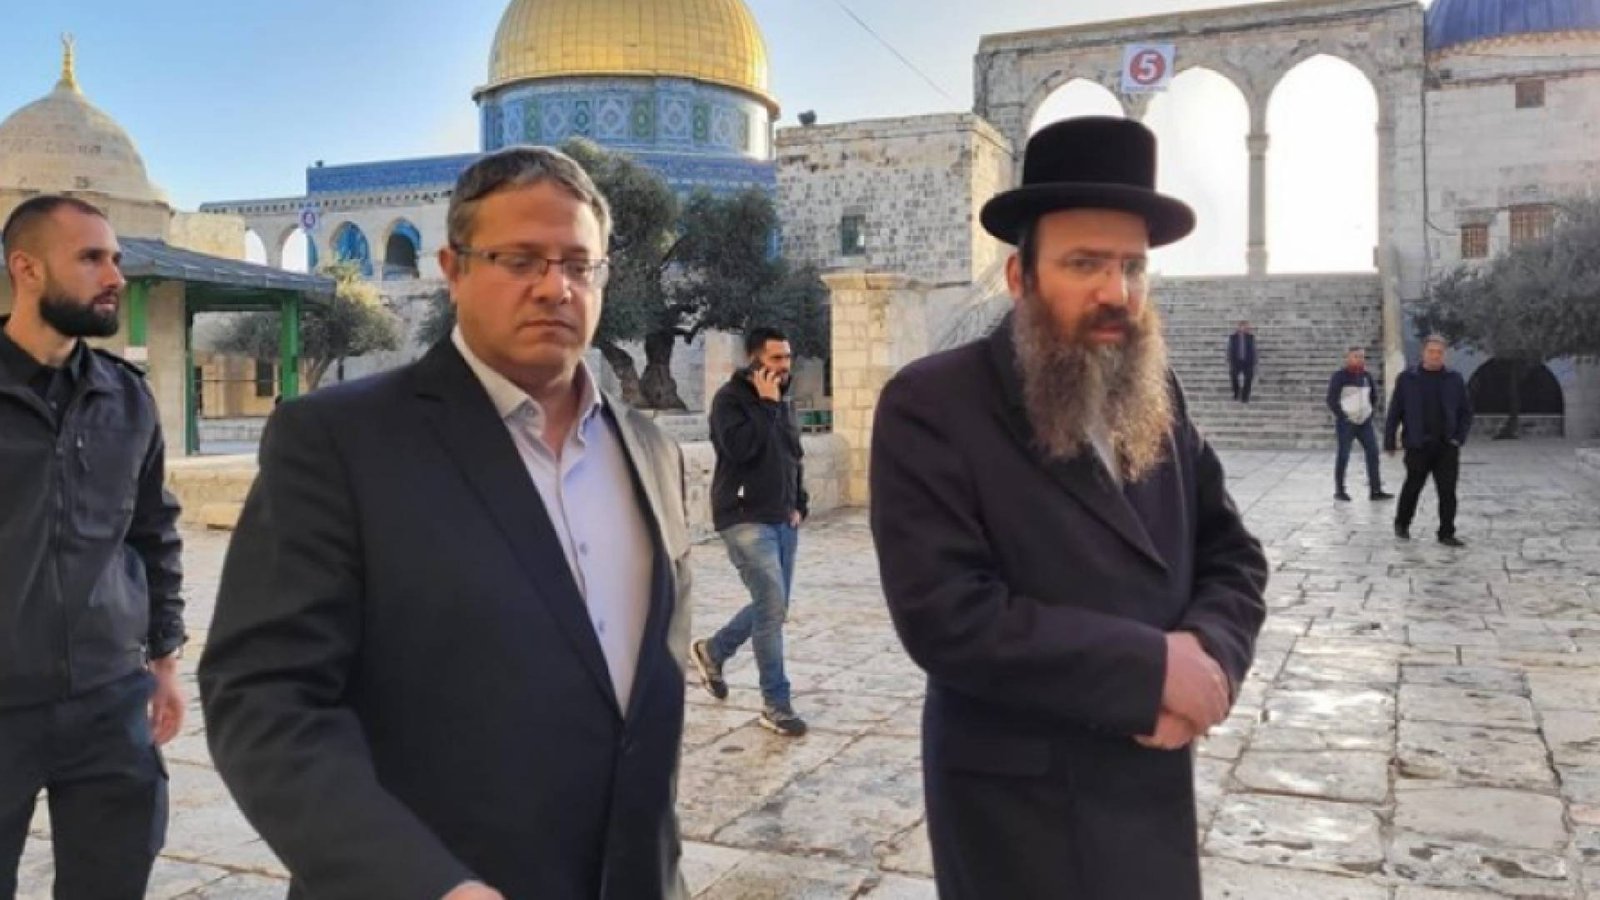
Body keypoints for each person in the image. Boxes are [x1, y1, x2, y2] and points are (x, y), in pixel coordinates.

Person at [199, 146, 694, 900]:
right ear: (452, 269)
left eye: (577, 264)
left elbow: (640, 703)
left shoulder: (652, 452)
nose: (554, 287)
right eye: (518, 260)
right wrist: (428, 886)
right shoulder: (341, 442)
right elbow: (265, 701)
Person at [870, 116, 1269, 899]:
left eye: (1132, 266)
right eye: (1084, 263)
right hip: (1020, 818)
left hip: (1151, 795)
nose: (1116, 293)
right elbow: (948, 616)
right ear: (1018, 276)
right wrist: (1151, 670)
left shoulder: (1154, 392)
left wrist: (1213, 655)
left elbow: (1232, 552)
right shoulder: (933, 405)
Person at [0, 195, 186, 899]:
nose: (116, 276)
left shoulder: (127, 398)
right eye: (91, 258)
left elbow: (153, 531)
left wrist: (164, 661)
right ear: (26, 269)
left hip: (109, 704)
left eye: (115, 258)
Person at [690, 326, 809, 737]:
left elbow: (793, 454)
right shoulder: (730, 401)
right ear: (754, 360)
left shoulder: (782, 399)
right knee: (771, 608)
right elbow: (741, 451)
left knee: (772, 605)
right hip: (744, 517)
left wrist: (799, 503)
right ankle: (776, 704)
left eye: (787, 357)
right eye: (776, 358)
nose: (784, 365)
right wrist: (766, 406)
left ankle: (714, 650)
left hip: (782, 517)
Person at [1384, 334, 1473, 546]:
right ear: (1423, 353)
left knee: (1447, 491)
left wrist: (1458, 438)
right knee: (1412, 487)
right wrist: (1389, 441)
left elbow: (1465, 412)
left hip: (1446, 445)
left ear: (1445, 355)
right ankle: (1402, 524)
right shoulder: (1407, 379)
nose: (1435, 356)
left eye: (1439, 352)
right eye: (1431, 352)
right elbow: (1395, 411)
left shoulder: (1454, 379)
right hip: (1418, 444)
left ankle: (1446, 532)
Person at [1326, 346, 1393, 502]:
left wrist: (1369, 413)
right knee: (1343, 455)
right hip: (1346, 423)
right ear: (1348, 358)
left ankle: (1375, 490)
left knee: (1373, 453)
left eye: (1362, 356)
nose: (1359, 359)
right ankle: (1340, 490)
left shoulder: (1366, 376)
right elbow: (1331, 399)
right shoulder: (1339, 376)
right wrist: (1343, 415)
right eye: (1356, 356)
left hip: (1364, 423)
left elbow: (1374, 396)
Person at [1227, 319, 1257, 403]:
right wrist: (1230, 359)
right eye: (1243, 326)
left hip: (1247, 361)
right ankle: (1237, 392)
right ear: (1239, 327)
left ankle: (1245, 396)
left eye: (1246, 326)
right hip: (1236, 361)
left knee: (1248, 378)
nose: (1245, 328)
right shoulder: (1233, 337)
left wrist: (1254, 360)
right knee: (1234, 377)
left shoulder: (1250, 337)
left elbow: (1253, 349)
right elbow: (1229, 349)